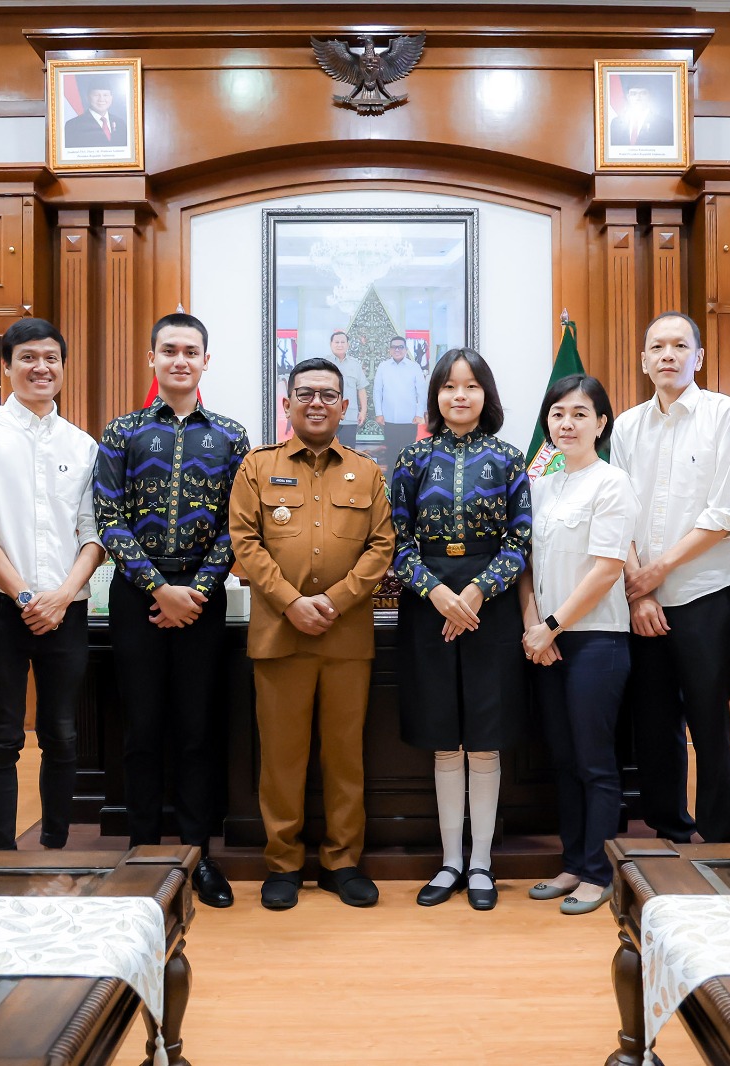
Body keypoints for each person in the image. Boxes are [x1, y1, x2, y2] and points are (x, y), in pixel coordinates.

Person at [94, 311, 249, 907]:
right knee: (141, 729)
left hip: (203, 598)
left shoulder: (231, 436)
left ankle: (197, 856)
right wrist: (159, 589)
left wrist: (197, 591)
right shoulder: (122, 432)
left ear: (206, 360)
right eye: (169, 350)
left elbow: (238, 524)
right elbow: (109, 517)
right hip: (137, 596)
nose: (180, 360)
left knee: (197, 730)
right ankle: (141, 856)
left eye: (191, 351)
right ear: (152, 359)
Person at [229, 357, 395, 910]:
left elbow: (382, 547)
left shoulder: (367, 472)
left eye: (328, 395)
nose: (316, 403)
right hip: (280, 636)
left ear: (345, 407)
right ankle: (283, 863)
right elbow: (245, 542)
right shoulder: (258, 467)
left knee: (345, 757)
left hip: (346, 639)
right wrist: (292, 602)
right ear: (288, 403)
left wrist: (336, 600)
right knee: (281, 758)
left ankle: (342, 862)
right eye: (305, 394)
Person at [0, 318, 103, 852]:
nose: (41, 368)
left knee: (62, 734)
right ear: (7, 366)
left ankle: (55, 848)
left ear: (63, 366)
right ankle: (0, 856)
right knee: (2, 737)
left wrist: (60, 596)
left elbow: (93, 533)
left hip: (66, 610)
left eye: (51, 358)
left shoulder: (83, 445)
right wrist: (23, 594)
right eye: (28, 358)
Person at [389, 349, 531, 910]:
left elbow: (520, 541)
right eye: (449, 386)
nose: (459, 396)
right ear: (436, 396)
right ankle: (450, 861)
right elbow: (397, 542)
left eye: (470, 386)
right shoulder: (412, 459)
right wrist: (438, 594)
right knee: (444, 738)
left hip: (490, 609)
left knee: (485, 739)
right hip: (428, 605)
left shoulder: (509, 459)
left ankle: (481, 865)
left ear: (485, 394)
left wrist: (474, 592)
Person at [611, 312, 730, 845]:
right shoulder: (627, 426)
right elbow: (619, 512)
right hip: (641, 596)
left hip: (704, 591)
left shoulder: (726, 415)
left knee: (708, 718)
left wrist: (659, 571)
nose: (667, 355)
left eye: (679, 346)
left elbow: (728, 512)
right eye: (657, 347)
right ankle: (670, 826)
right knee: (653, 720)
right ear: (643, 360)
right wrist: (639, 590)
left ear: (699, 357)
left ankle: (717, 839)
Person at [520, 374, 639, 915]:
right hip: (545, 641)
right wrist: (534, 626)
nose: (566, 424)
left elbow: (607, 569)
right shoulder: (541, 485)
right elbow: (525, 564)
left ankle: (598, 872)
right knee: (564, 760)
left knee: (595, 762)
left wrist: (551, 625)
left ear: (601, 423)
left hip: (596, 641)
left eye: (579, 414)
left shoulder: (612, 483)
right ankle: (572, 862)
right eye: (557, 414)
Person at [373, 336, 425, 459]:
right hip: (388, 420)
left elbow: (422, 392)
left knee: (409, 455)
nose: (397, 350)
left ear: (406, 349)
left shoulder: (414, 367)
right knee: (391, 455)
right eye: (394, 347)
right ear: (390, 350)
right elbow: (377, 391)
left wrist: (419, 414)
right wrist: (379, 413)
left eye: (400, 347)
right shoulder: (383, 366)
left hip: (410, 420)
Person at [63, 78, 128, 149]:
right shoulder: (73, 126)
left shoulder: (120, 124)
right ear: (88, 97)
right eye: (96, 95)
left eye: (105, 95)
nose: (101, 99)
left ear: (111, 98)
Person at [329, 330, 369, 447]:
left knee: (348, 451)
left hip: (350, 416)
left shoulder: (355, 364)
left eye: (343, 342)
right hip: (328, 416)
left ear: (348, 345)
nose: (340, 345)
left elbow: (361, 389)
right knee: (327, 451)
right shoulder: (324, 363)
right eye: (336, 342)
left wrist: (363, 411)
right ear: (331, 344)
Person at [608, 82, 672, 148]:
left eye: (643, 93)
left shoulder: (664, 125)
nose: (638, 98)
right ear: (628, 97)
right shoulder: (615, 123)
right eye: (633, 94)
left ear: (650, 96)